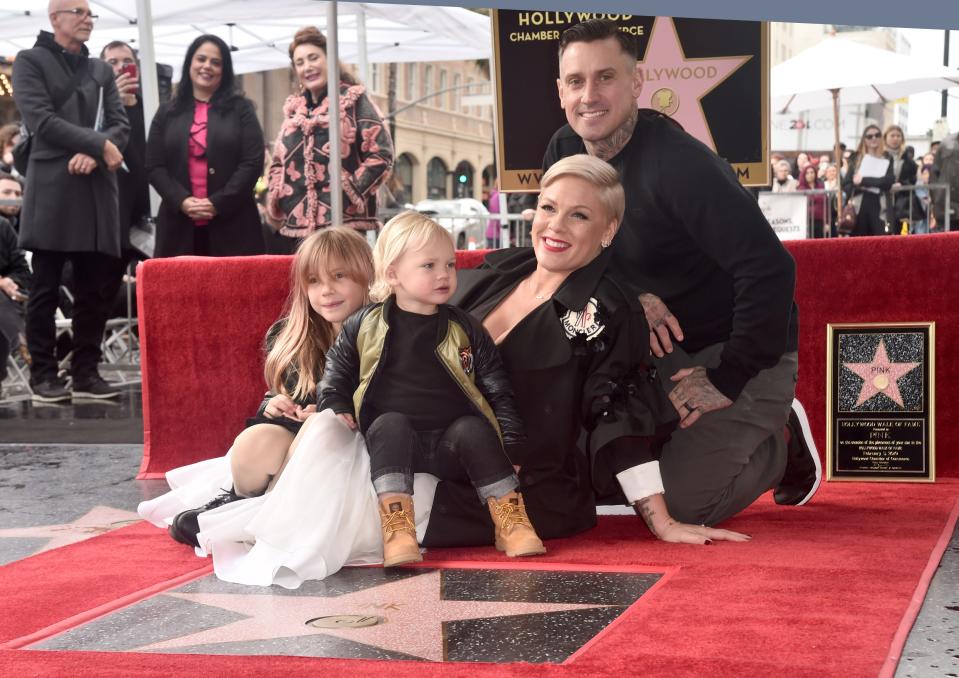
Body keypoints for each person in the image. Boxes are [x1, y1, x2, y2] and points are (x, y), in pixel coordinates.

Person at [541, 19, 818, 538]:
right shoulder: (563, 151)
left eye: (606, 78)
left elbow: (771, 268)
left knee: (686, 504)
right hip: (653, 347)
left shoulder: (680, 164)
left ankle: (780, 441)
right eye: (576, 81)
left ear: (636, 82)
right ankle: (706, 431)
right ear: (560, 90)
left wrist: (729, 377)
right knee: (594, 475)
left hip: (735, 349)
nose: (590, 95)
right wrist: (628, 295)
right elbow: (569, 258)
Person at [438, 155, 749, 547]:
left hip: (521, 492)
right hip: (436, 460)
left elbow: (616, 414)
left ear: (608, 230)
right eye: (549, 208)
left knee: (370, 512)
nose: (555, 225)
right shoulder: (494, 275)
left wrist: (663, 522)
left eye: (579, 216)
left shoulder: (606, 312)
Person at [139, 226, 383, 588]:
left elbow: (391, 400)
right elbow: (283, 390)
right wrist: (276, 405)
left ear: (366, 277)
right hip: (292, 441)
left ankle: (257, 518)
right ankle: (240, 500)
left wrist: (331, 412)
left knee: (322, 428)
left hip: (351, 447)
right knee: (255, 441)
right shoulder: (291, 334)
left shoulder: (382, 332)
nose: (326, 290)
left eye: (339, 277)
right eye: (314, 282)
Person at [319, 211, 546, 566]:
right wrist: (334, 401)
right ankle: (398, 530)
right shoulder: (364, 324)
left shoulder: (465, 328)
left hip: (450, 447)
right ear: (393, 274)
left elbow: (497, 389)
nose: (444, 274)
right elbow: (337, 369)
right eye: (429, 266)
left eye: (450, 265)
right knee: (391, 422)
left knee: (473, 427)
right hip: (391, 445)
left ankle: (511, 520)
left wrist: (512, 444)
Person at [12, 0, 130, 402]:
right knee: (45, 285)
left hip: (96, 187)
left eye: (90, 13)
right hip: (52, 185)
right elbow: (39, 120)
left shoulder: (100, 69)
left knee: (93, 287)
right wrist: (98, 143)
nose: (87, 19)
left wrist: (97, 152)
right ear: (54, 17)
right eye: (78, 12)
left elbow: (121, 123)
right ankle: (43, 373)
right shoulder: (29, 61)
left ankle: (85, 372)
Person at [264, 26, 393, 254]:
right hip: (297, 229)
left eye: (313, 58)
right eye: (300, 62)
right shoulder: (294, 110)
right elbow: (277, 162)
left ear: (330, 59)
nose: (308, 67)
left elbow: (381, 153)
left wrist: (349, 190)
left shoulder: (354, 100)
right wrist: (279, 193)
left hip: (345, 226)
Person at [146, 34, 265, 257]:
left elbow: (252, 162)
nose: (207, 66)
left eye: (215, 62)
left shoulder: (242, 109)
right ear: (190, 63)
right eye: (201, 59)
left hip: (234, 225)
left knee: (233, 291)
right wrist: (181, 201)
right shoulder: (167, 112)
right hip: (178, 226)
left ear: (225, 70)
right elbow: (154, 166)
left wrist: (217, 203)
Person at [843, 124, 895, 237]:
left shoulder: (887, 157)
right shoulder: (856, 157)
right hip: (858, 204)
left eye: (877, 135)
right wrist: (858, 184)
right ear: (864, 139)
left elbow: (888, 181)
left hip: (880, 204)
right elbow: (847, 184)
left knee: (879, 240)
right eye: (869, 136)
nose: (874, 138)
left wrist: (863, 181)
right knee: (859, 242)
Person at [0, 213, 30, 395]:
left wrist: (10, 282)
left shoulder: (2, 227)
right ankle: (29, 352)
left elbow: (23, 271)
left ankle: (26, 347)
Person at [884, 125, 919, 232]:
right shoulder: (880, 156)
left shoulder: (908, 158)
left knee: (900, 233)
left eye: (898, 136)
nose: (895, 138)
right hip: (882, 200)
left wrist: (902, 184)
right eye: (892, 136)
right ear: (885, 138)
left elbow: (913, 178)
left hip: (902, 202)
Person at [798, 164, 826, 238]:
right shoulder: (801, 188)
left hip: (820, 220)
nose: (810, 175)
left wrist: (827, 222)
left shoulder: (821, 186)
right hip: (807, 221)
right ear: (804, 175)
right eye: (807, 173)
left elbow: (825, 204)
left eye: (812, 172)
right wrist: (817, 197)